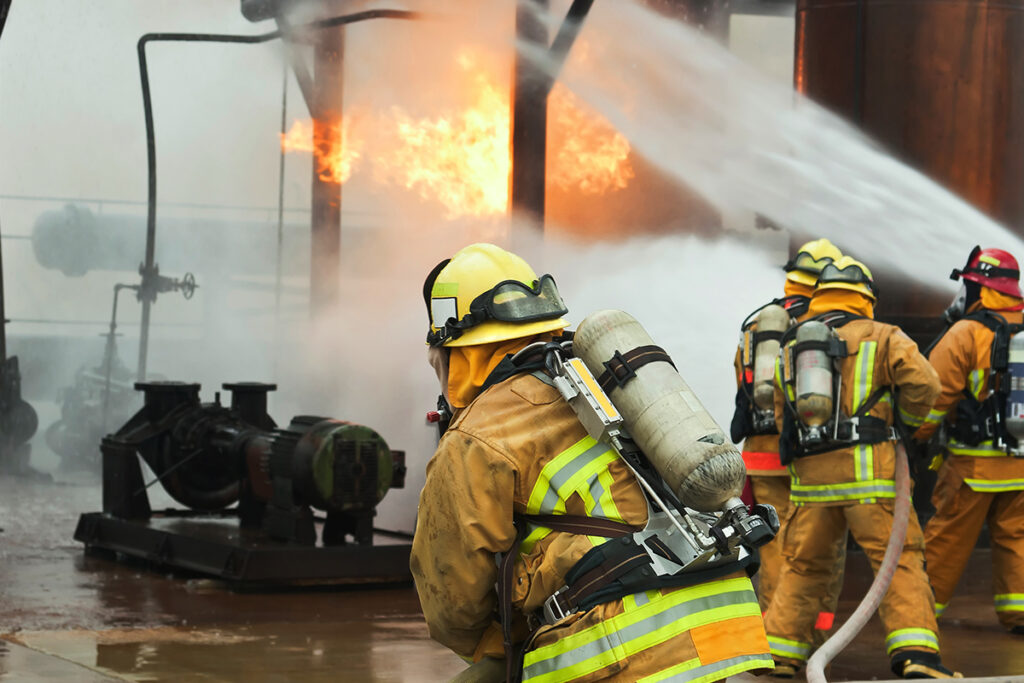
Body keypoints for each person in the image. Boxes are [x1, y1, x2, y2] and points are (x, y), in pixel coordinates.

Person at [410, 243, 773, 682]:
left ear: (458, 352)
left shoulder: (476, 435)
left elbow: (452, 592)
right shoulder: (603, 379)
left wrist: (497, 648)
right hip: (725, 622)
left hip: (623, 645)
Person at [763, 256, 961, 679]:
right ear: (866, 299)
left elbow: (783, 417)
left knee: (803, 567)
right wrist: (904, 425)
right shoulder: (884, 336)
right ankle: (917, 658)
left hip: (812, 483)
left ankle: (779, 655)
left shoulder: (793, 345)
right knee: (899, 562)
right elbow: (926, 385)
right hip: (872, 479)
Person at [731, 238, 846, 634]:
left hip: (760, 455)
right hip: (810, 454)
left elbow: (743, 381)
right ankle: (814, 626)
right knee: (819, 545)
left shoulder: (757, 324)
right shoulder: (825, 326)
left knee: (774, 544)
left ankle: (772, 626)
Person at [912, 246, 1024, 635]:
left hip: (972, 466)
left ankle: (920, 615)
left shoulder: (966, 333)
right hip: (1021, 465)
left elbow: (933, 394)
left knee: (947, 539)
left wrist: (916, 434)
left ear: (981, 290)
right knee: (1017, 538)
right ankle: (1020, 612)